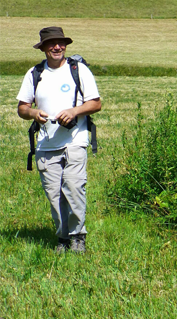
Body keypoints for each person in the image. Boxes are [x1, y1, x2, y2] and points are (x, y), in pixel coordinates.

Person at [16, 26, 102, 254]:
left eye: (61, 43)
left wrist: (74, 112)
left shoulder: (79, 70)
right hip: (46, 144)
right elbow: (22, 108)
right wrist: (34, 114)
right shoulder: (34, 73)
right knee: (54, 194)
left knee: (74, 188)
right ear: (43, 48)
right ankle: (63, 238)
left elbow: (96, 103)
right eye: (51, 43)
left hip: (75, 140)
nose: (57, 47)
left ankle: (77, 237)